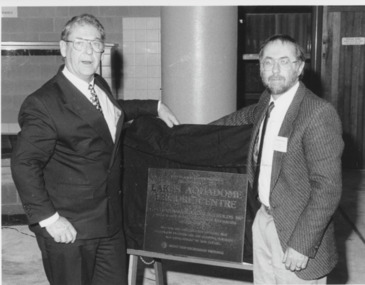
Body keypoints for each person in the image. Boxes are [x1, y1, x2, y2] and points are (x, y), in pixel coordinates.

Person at [11, 14, 178, 285]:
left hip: (109, 225)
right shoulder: (44, 103)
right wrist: (49, 219)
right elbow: (23, 163)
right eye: (80, 43)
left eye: (96, 43)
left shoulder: (97, 84)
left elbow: (109, 113)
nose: (89, 51)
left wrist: (154, 106)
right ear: (63, 48)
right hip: (70, 231)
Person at [211, 34, 344, 284]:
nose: (275, 69)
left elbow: (327, 188)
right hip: (263, 220)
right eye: (268, 62)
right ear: (260, 68)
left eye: (284, 61)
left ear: (299, 67)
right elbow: (235, 121)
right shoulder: (265, 103)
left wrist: (302, 245)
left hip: (296, 231)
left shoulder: (317, 113)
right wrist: (190, 131)